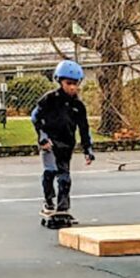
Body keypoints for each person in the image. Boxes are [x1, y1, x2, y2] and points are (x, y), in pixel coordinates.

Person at [31, 60, 95, 214]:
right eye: (68, 83)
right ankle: (48, 201)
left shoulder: (78, 106)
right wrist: (42, 138)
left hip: (66, 145)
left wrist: (88, 149)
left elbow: (84, 128)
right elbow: (35, 117)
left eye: (75, 83)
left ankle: (63, 208)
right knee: (50, 171)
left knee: (64, 178)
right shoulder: (49, 99)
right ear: (60, 81)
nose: (73, 87)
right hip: (49, 143)